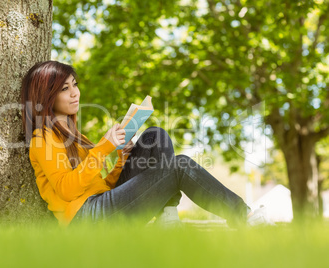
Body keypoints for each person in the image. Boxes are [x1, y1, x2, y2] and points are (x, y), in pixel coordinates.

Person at [21, 60, 270, 228]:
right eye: (65, 89)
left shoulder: (76, 136)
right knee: (179, 165)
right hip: (86, 219)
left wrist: (120, 161)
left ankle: (166, 216)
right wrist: (104, 148)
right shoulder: (42, 139)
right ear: (47, 96)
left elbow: (101, 185)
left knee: (155, 136)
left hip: (102, 203)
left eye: (75, 84)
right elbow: (67, 190)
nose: (75, 92)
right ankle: (244, 216)